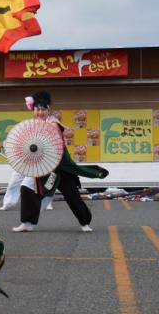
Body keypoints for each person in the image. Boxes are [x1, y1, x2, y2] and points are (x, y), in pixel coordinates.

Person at [12, 91, 108, 233]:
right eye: (37, 109)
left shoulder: (53, 123)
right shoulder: (33, 125)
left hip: (61, 166)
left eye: (43, 109)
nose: (40, 112)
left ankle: (85, 222)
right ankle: (28, 222)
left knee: (71, 194)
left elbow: (49, 141)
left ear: (49, 110)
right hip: (44, 167)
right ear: (33, 110)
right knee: (26, 188)